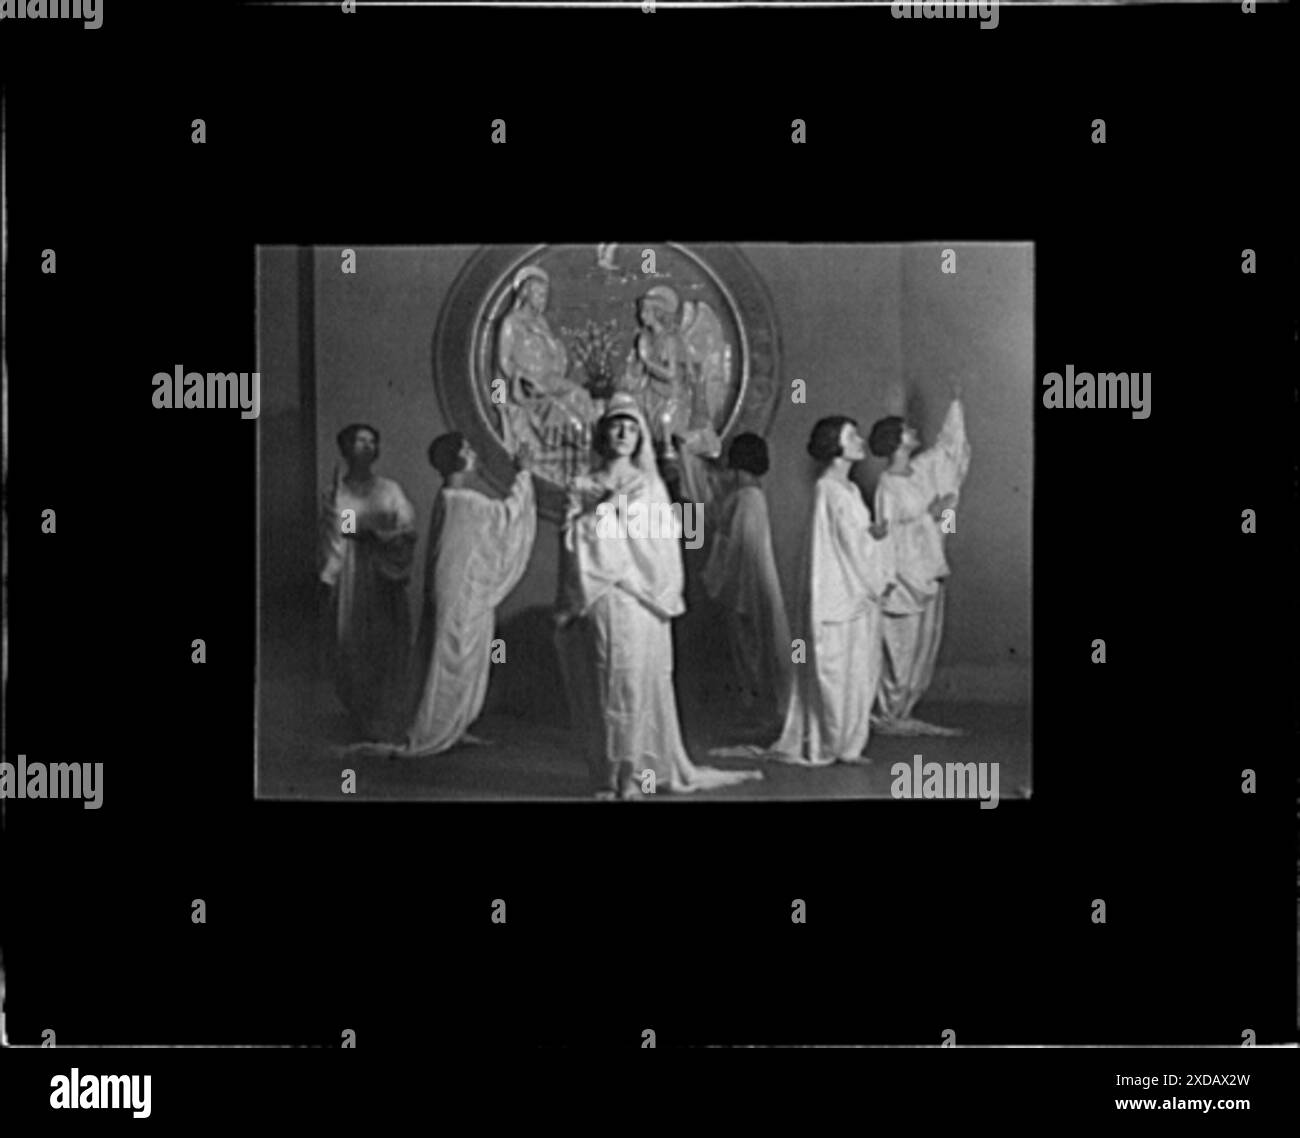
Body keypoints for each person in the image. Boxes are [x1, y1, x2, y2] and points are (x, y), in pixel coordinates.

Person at [554, 394, 763, 799]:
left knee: (633, 683)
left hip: (639, 597)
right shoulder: (582, 485)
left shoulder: (648, 486)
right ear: (603, 432)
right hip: (599, 593)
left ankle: (632, 775)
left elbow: (662, 544)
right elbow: (570, 541)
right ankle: (608, 774)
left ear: (640, 437)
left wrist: (613, 523)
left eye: (632, 427)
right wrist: (602, 515)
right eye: (616, 425)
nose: (623, 434)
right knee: (604, 681)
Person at [371, 433, 537, 758]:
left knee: (460, 656)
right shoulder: (462, 500)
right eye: (469, 449)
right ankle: (437, 729)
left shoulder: (452, 497)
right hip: (460, 593)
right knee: (453, 657)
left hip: (459, 590)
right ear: (459, 457)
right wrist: (524, 473)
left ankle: (453, 725)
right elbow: (509, 515)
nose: (474, 454)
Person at [763, 416, 894, 766]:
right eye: (851, 436)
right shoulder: (829, 489)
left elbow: (857, 538)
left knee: (858, 670)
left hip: (856, 592)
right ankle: (830, 742)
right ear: (834, 445)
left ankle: (849, 744)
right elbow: (848, 544)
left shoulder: (849, 490)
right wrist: (876, 573)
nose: (859, 440)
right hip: (838, 594)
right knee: (833, 671)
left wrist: (874, 538)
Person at [868, 384, 970, 735]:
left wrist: (955, 403)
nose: (914, 434)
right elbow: (885, 535)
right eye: (908, 431)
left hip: (928, 568)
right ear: (896, 442)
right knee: (899, 649)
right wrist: (931, 513)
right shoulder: (886, 485)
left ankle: (903, 710)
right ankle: (888, 712)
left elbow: (948, 452)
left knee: (923, 646)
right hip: (903, 576)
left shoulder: (921, 470)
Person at [319, 423, 417, 738]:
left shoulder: (389, 490)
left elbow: (406, 529)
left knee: (387, 640)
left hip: (384, 574)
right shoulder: (340, 491)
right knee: (353, 641)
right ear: (346, 448)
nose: (367, 447)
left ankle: (385, 713)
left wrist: (382, 536)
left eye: (372, 441)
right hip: (354, 574)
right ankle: (360, 714)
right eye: (359, 441)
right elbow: (343, 532)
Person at [700, 433, 792, 723]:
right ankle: (760, 708)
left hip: (746, 588)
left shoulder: (746, 499)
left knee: (751, 649)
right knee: (754, 648)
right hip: (748, 585)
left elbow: (743, 550)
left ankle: (761, 710)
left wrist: (732, 591)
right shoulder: (748, 496)